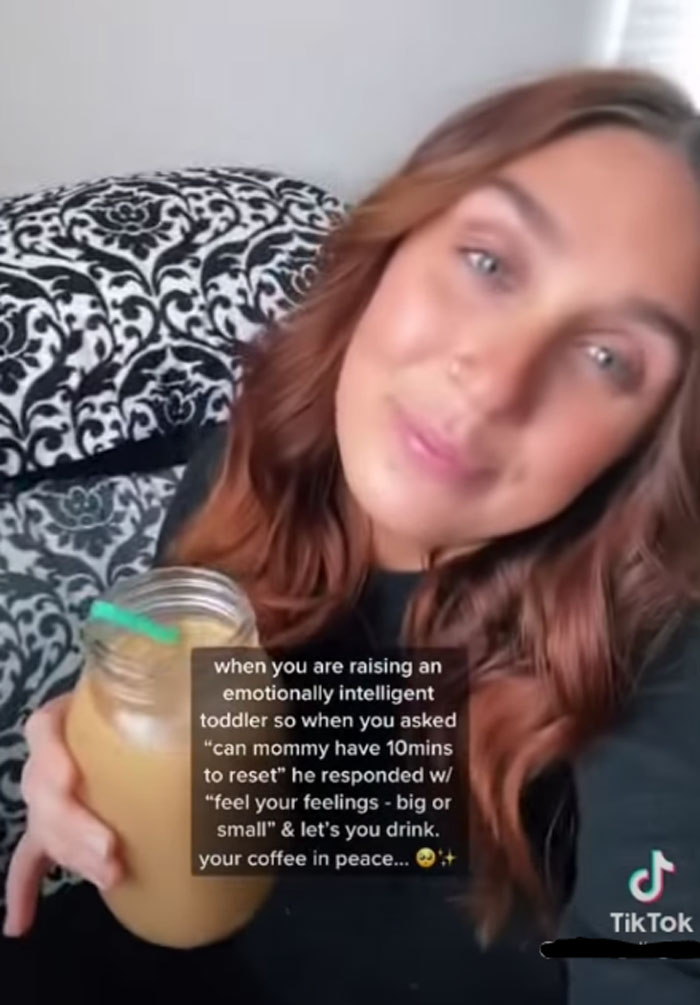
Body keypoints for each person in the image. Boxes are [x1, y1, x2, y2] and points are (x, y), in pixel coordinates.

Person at [2, 65, 700, 1004]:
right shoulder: (256, 466)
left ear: (647, 441)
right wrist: (102, 752)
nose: (494, 383)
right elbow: (246, 777)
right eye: (489, 263)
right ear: (392, 240)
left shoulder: (658, 649)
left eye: (608, 356)